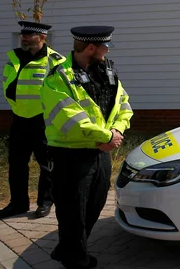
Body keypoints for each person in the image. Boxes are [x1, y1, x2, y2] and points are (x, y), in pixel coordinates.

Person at [41, 26, 132, 269]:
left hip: (100, 152)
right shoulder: (58, 78)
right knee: (72, 213)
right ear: (91, 48)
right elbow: (71, 120)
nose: (108, 49)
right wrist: (106, 137)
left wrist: (118, 131)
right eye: (105, 45)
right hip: (71, 154)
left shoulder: (108, 72)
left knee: (95, 204)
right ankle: (75, 260)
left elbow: (124, 105)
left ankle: (67, 248)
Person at [0, 21, 66, 220]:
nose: (23, 38)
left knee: (46, 164)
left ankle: (45, 202)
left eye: (28, 35)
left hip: (43, 121)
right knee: (16, 164)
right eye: (22, 35)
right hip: (19, 119)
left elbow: (63, 93)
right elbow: (8, 84)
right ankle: (18, 203)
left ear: (42, 38)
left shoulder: (56, 61)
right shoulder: (14, 58)